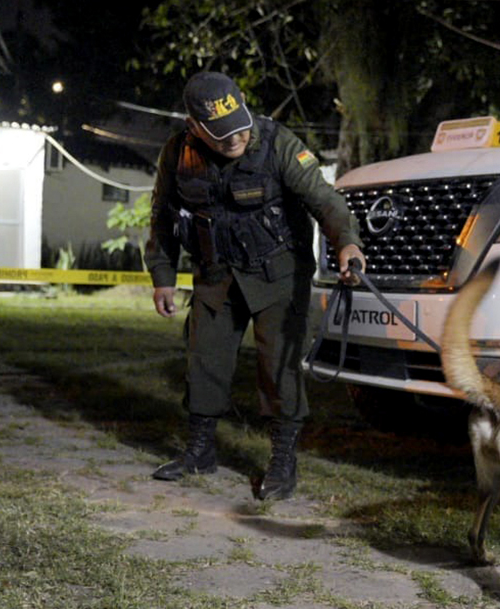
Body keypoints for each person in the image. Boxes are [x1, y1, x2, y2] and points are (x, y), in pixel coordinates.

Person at [145, 71, 366, 500]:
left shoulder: (277, 143)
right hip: (216, 274)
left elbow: (324, 200)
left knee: (279, 368)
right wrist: (162, 277)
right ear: (194, 126)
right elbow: (162, 216)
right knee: (204, 361)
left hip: (277, 273)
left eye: (239, 125)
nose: (235, 139)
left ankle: (283, 462)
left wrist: (348, 243)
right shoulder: (177, 153)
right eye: (221, 134)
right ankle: (200, 451)